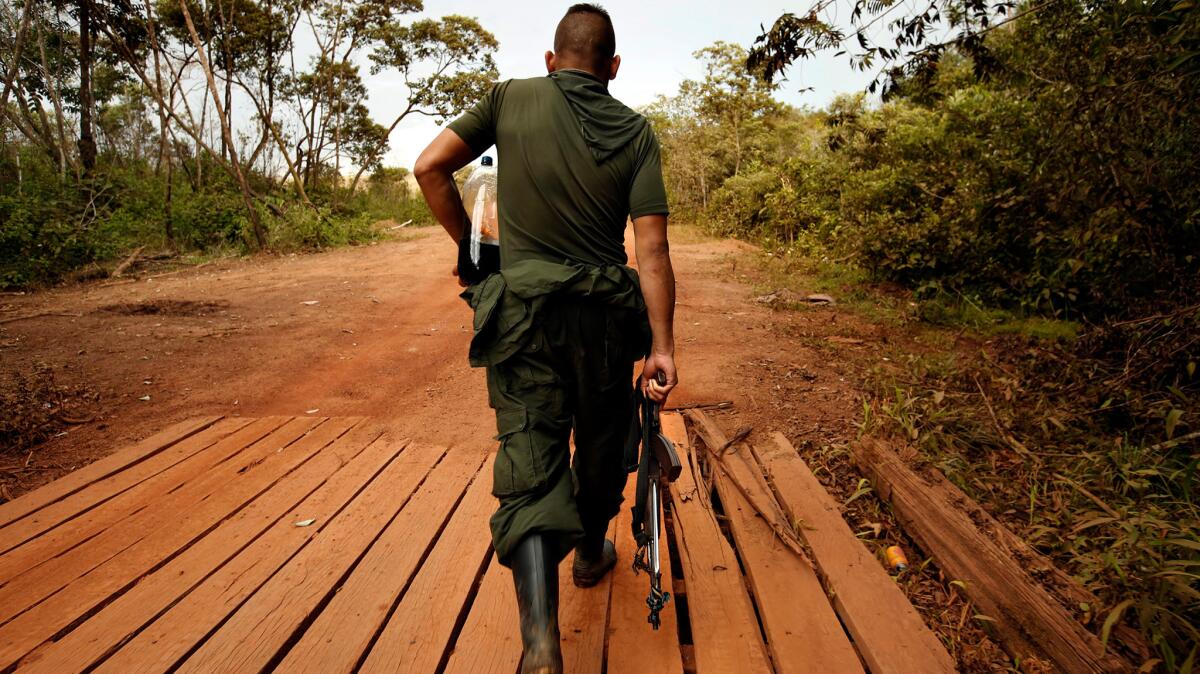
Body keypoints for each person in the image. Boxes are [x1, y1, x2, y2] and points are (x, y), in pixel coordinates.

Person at [413, 4, 676, 672]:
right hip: (606, 321)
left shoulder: (509, 97)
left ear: (552, 61)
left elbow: (428, 167)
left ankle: (540, 643)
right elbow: (651, 251)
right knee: (601, 442)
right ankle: (590, 552)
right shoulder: (637, 133)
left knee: (529, 456)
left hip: (523, 314)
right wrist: (664, 345)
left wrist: (476, 256)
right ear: (612, 68)